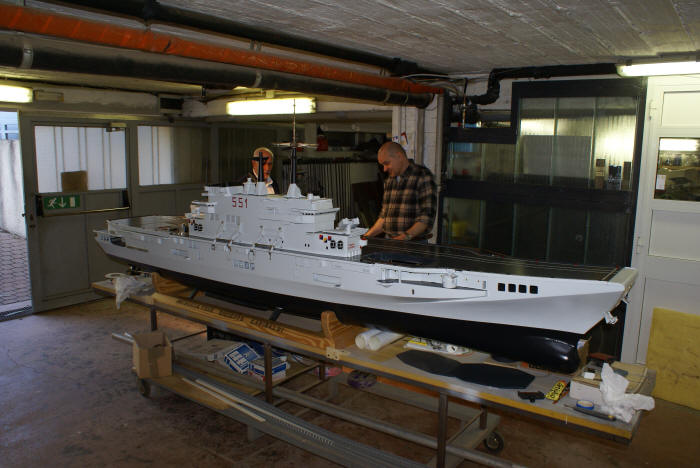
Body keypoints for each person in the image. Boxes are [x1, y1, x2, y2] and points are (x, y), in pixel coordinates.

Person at [363, 142, 437, 241]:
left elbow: (426, 218)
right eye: (383, 165)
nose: (384, 169)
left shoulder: (422, 176)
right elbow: (384, 216)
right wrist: (366, 237)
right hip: (391, 242)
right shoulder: (390, 181)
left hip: (413, 244)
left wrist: (401, 238)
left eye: (386, 163)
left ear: (399, 156)